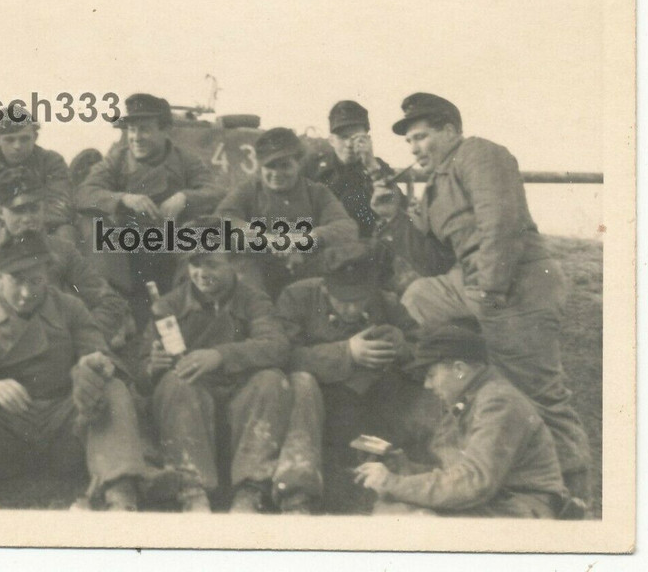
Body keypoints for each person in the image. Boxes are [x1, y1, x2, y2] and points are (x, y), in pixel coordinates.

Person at [370, 92, 592, 503]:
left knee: (539, 391)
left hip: (520, 284)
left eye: (422, 137)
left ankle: (573, 494)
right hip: (476, 286)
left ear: (450, 130)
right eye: (410, 142)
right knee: (420, 294)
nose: (416, 148)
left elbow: (500, 224)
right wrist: (394, 217)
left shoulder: (479, 155)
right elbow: (434, 262)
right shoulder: (435, 186)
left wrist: (489, 295)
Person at [0, 231, 152, 511]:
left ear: (48, 275)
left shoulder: (70, 307)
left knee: (113, 391)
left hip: (65, 428)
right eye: (17, 280)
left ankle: (120, 494)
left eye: (36, 281)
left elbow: (95, 350)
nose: (27, 293)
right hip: (4, 433)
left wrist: (91, 368)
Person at [354, 324, 576, 519]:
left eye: (431, 375)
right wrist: (406, 468)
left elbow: (474, 481)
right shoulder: (474, 397)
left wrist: (393, 483)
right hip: (497, 501)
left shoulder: (498, 402)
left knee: (404, 516)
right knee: (396, 510)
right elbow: (455, 472)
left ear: (459, 370)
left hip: (521, 508)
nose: (427, 386)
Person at [272, 241, 430, 513]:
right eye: (343, 301)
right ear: (325, 288)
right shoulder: (297, 298)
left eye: (360, 300)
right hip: (315, 408)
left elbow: (428, 355)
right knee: (301, 383)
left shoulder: (386, 302)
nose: (352, 309)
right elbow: (282, 357)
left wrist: (404, 347)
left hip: (371, 408)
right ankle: (297, 495)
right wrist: (346, 353)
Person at [139, 237, 294, 513]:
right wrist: (152, 365)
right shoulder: (168, 305)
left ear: (234, 264)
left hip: (241, 403)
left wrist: (220, 356)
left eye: (212, 264)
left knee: (271, 380)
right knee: (176, 382)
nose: (202, 273)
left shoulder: (253, 299)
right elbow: (140, 369)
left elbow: (277, 346)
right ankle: (191, 489)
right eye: (195, 265)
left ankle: (251, 489)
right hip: (191, 409)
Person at [75, 93, 225, 326]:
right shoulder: (117, 160)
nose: (136, 137)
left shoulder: (185, 160)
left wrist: (185, 197)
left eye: (144, 129)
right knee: (90, 223)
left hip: (172, 247)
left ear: (165, 130)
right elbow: (85, 193)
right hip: (127, 252)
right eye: (131, 130)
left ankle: (193, 311)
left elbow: (215, 191)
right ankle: (117, 312)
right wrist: (123, 198)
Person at [0, 167, 132, 349]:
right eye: (18, 211)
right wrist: (2, 259)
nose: (28, 218)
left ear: (44, 208)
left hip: (58, 349)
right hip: (1, 352)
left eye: (34, 209)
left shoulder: (62, 250)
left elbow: (109, 302)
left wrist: (81, 340)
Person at [215, 127, 358, 300]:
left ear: (298, 164)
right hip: (258, 272)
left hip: (304, 269)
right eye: (270, 166)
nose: (277, 174)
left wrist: (301, 240)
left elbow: (347, 228)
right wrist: (268, 239)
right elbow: (221, 220)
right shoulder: (249, 190)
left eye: (285, 166)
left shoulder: (316, 192)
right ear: (260, 167)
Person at [0, 106, 77, 244]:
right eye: (9, 140)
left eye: (24, 139)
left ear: (35, 137)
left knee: (65, 233)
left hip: (43, 226)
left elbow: (60, 206)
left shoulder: (51, 161)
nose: (17, 146)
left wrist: (20, 218)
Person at [302, 100, 395, 238]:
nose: (349, 144)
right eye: (343, 137)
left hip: (367, 246)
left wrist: (371, 165)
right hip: (325, 246)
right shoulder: (312, 167)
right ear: (331, 140)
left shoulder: (378, 168)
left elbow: (398, 210)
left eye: (356, 138)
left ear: (368, 140)